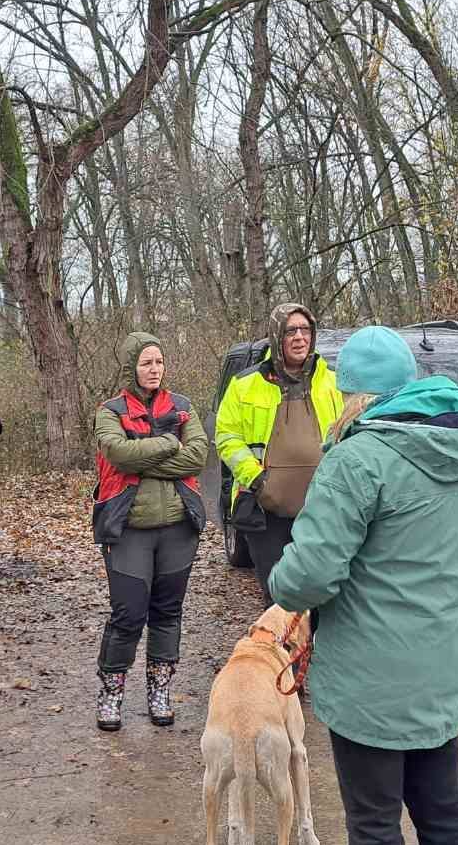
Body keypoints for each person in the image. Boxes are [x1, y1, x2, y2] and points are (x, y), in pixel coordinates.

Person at [270, 326, 458, 845]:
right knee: (443, 809)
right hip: (443, 666)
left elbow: (307, 576)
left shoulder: (359, 459)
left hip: (370, 677)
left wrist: (285, 582)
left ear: (356, 392)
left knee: (374, 820)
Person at [91, 331, 208, 731]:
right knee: (128, 615)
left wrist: (144, 455)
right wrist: (167, 444)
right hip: (129, 529)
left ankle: (160, 690)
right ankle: (112, 693)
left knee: (167, 612)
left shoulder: (183, 406)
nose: (154, 369)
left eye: (158, 362)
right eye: (146, 362)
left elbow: (197, 456)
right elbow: (118, 453)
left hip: (177, 528)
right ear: (131, 367)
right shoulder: (109, 411)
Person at [214, 303, 341, 593]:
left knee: (322, 598)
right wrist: (257, 479)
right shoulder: (245, 384)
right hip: (265, 511)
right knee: (279, 601)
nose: (299, 337)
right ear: (276, 336)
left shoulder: (333, 381)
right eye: (290, 331)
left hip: (323, 511)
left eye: (305, 330)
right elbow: (227, 437)